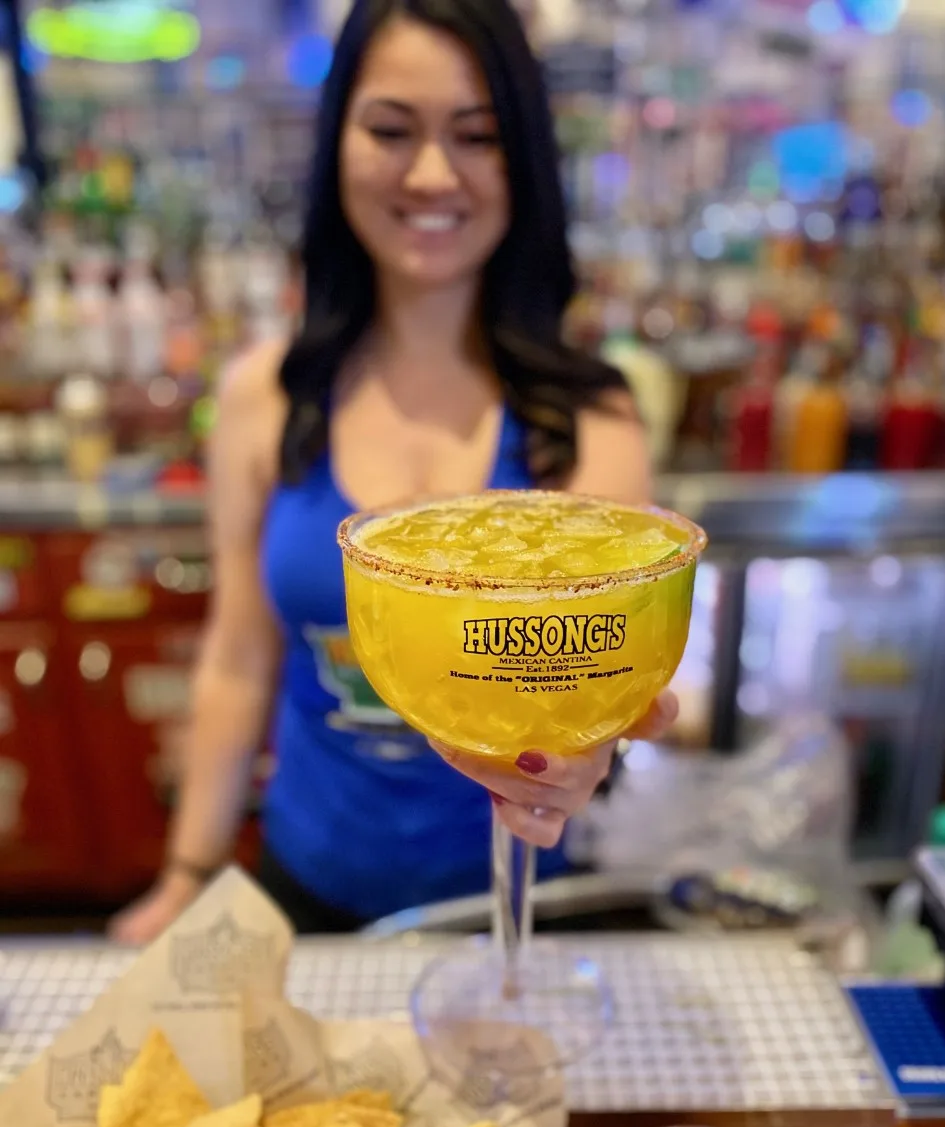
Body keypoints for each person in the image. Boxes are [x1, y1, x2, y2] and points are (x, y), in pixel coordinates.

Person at [110, 0, 677, 944]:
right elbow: (241, 656)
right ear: (337, 141)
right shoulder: (265, 396)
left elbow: (598, 676)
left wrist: (590, 747)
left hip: (511, 907)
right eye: (391, 129)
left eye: (477, 136)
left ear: (524, 158)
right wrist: (187, 874)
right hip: (307, 893)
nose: (431, 174)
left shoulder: (590, 416)